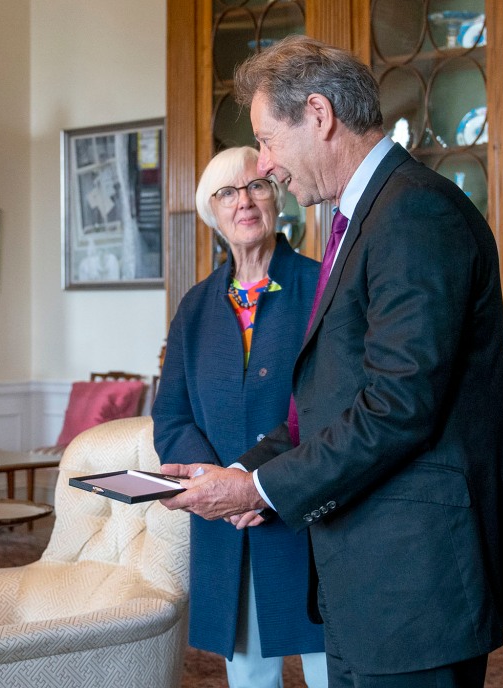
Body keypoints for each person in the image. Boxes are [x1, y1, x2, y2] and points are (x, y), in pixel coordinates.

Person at [159, 35, 503, 688]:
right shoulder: (362, 216)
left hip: (414, 585)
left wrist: (257, 490)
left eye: (268, 140)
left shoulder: (413, 213)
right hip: (367, 580)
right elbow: (326, 400)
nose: (265, 165)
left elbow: (396, 407)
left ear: (318, 114)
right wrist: (242, 471)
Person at [152, 146, 327, 688]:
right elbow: (172, 414)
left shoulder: (322, 286)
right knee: (250, 676)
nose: (243, 201)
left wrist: (253, 482)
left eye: (256, 186)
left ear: (277, 196)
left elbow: (328, 406)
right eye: (227, 192)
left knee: (333, 672)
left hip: (309, 510)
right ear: (212, 209)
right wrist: (215, 485)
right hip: (230, 525)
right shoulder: (196, 307)